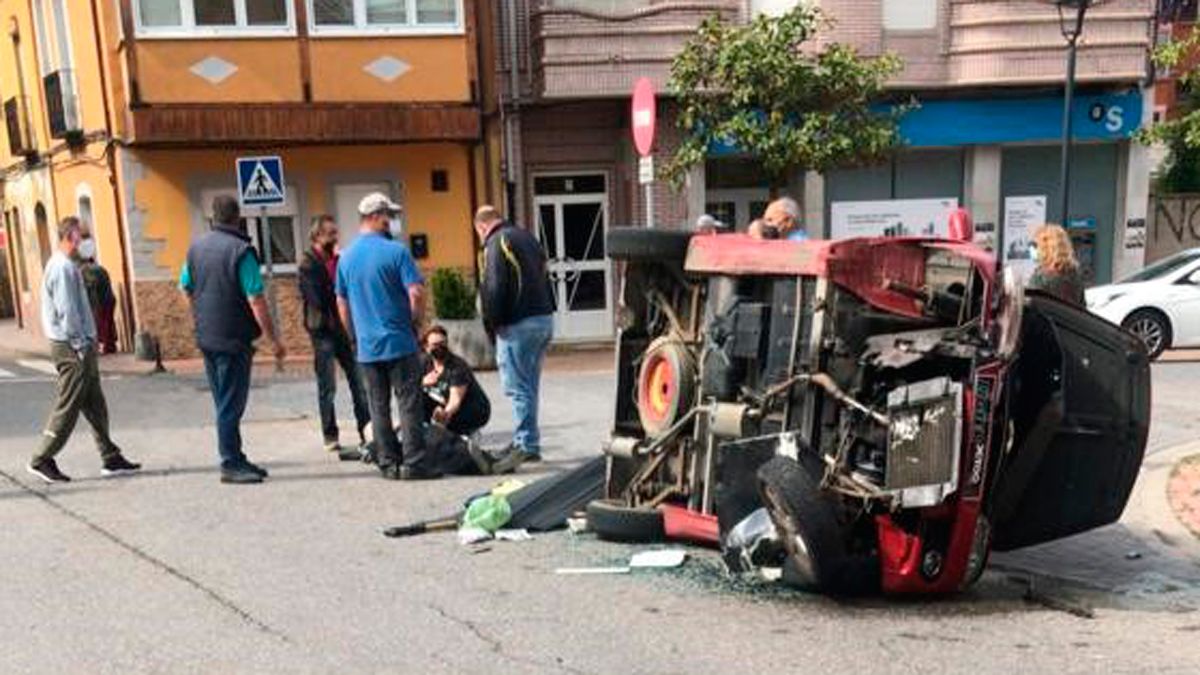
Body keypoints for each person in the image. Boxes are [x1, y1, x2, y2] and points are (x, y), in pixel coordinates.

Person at [181, 196, 286, 484]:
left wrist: (200, 314)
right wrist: (273, 339)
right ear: (237, 217)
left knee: (222, 400)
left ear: (213, 217)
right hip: (233, 337)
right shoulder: (242, 251)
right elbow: (256, 299)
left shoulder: (196, 248)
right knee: (231, 403)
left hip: (207, 336)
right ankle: (230, 462)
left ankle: (236, 456)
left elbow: (185, 287)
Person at [27, 216, 140, 483]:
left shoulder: (67, 266)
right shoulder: (63, 268)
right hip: (71, 346)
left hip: (80, 344)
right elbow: (68, 311)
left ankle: (110, 456)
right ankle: (42, 458)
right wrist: (80, 344)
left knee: (95, 403)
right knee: (69, 403)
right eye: (83, 237)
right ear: (71, 238)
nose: (87, 243)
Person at [336, 193, 438, 481]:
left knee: (377, 404)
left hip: (367, 346)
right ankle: (414, 462)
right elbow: (416, 292)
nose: (391, 222)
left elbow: (341, 303)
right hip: (399, 340)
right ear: (375, 216)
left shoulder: (346, 257)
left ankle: (387, 463)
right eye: (388, 216)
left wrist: (353, 336)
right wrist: (415, 322)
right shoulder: (397, 252)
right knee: (408, 401)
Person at [475, 205, 555, 463]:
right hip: (543, 318)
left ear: (482, 226)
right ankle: (528, 440)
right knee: (529, 385)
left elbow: (495, 286)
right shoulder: (527, 237)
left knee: (517, 387)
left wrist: (493, 324)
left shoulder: (496, 242)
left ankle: (526, 444)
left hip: (517, 324)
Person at [299, 215, 372, 460]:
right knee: (327, 385)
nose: (335, 238)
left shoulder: (339, 260)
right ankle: (330, 435)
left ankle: (367, 431)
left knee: (359, 382)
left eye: (336, 233)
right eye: (330, 233)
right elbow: (318, 299)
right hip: (322, 330)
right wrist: (338, 290)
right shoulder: (307, 264)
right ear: (317, 236)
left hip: (344, 329)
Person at [77, 231, 118, 355]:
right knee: (108, 323)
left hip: (100, 301)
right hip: (109, 298)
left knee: (101, 325)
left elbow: (91, 289)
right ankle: (110, 346)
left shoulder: (86, 271)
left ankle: (103, 347)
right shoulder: (100, 268)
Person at [1028, 224, 1085, 306]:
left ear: (1045, 248)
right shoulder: (1075, 275)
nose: (1033, 249)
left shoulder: (1040, 278)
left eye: (1035, 245)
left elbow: (1032, 306)